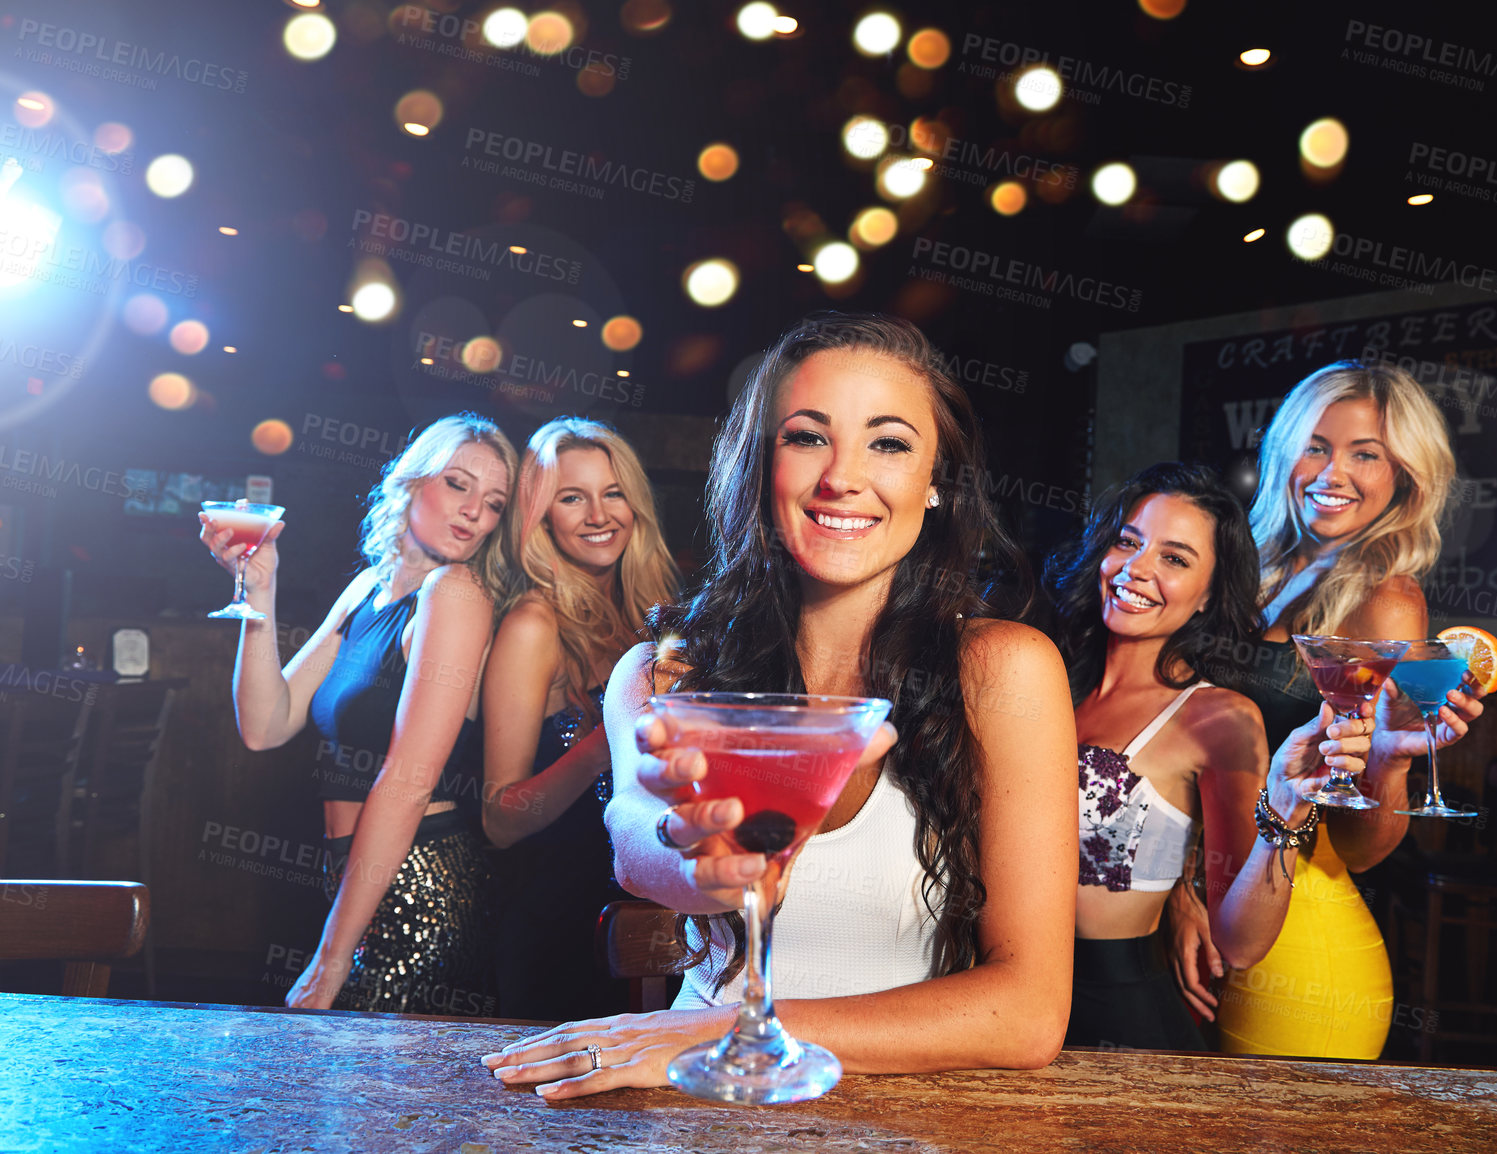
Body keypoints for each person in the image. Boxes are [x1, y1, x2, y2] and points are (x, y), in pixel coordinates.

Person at [480, 312, 1077, 1097]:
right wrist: (707, 866)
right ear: (762, 465)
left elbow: (1029, 1010)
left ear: (936, 482)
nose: (842, 477)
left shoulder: (1003, 670)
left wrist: (733, 1026)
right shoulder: (665, 672)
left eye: (889, 442)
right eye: (808, 436)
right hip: (695, 1088)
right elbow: (633, 836)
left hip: (898, 1103)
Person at [1165, 359, 1486, 1059]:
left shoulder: (1387, 599)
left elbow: (1364, 848)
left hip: (1300, 938)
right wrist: (1179, 888)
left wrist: (1391, 764)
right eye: (1315, 445)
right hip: (1209, 903)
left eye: (1364, 454)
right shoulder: (1255, 567)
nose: (1330, 472)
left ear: (1404, 474)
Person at [1045, 462, 1373, 1051]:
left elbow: (1241, 943)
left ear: (1207, 598)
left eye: (1175, 558)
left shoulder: (1216, 717)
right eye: (1128, 541)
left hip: (1114, 1023)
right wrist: (1177, 894)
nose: (1138, 568)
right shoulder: (1045, 677)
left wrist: (1290, 808)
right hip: (988, 990)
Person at [199, 413, 516, 1014]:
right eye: (457, 484)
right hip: (355, 882)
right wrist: (258, 591)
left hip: (418, 885)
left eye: (495, 502)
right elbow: (266, 724)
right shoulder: (370, 586)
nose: (475, 511)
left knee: (380, 1102)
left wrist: (332, 954)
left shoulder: (454, 593)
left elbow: (408, 779)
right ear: (410, 481)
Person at [482, 417, 681, 1021]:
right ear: (541, 516)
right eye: (572, 498)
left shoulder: (652, 616)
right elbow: (499, 820)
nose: (599, 515)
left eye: (612, 493)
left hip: (648, 916)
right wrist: (610, 736)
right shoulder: (533, 626)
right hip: (560, 927)